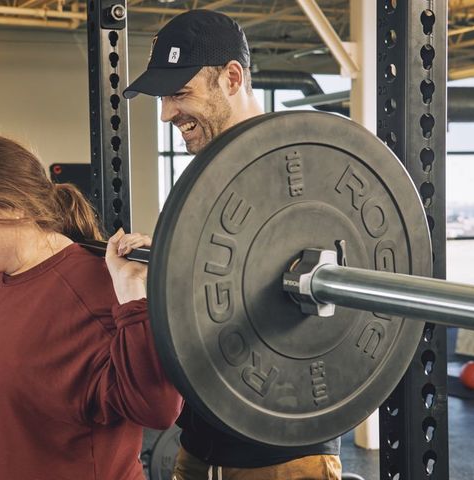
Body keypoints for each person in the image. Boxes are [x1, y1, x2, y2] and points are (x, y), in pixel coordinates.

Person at [121, 9, 342, 480]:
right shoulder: (211, 177)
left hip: (284, 458)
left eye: (179, 94)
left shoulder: (300, 167)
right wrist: (163, 263)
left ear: (232, 77)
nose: (166, 114)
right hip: (198, 446)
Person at [0, 135, 182, 479]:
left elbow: (159, 408)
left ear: (12, 205)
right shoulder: (8, 282)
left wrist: (135, 293)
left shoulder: (91, 288)